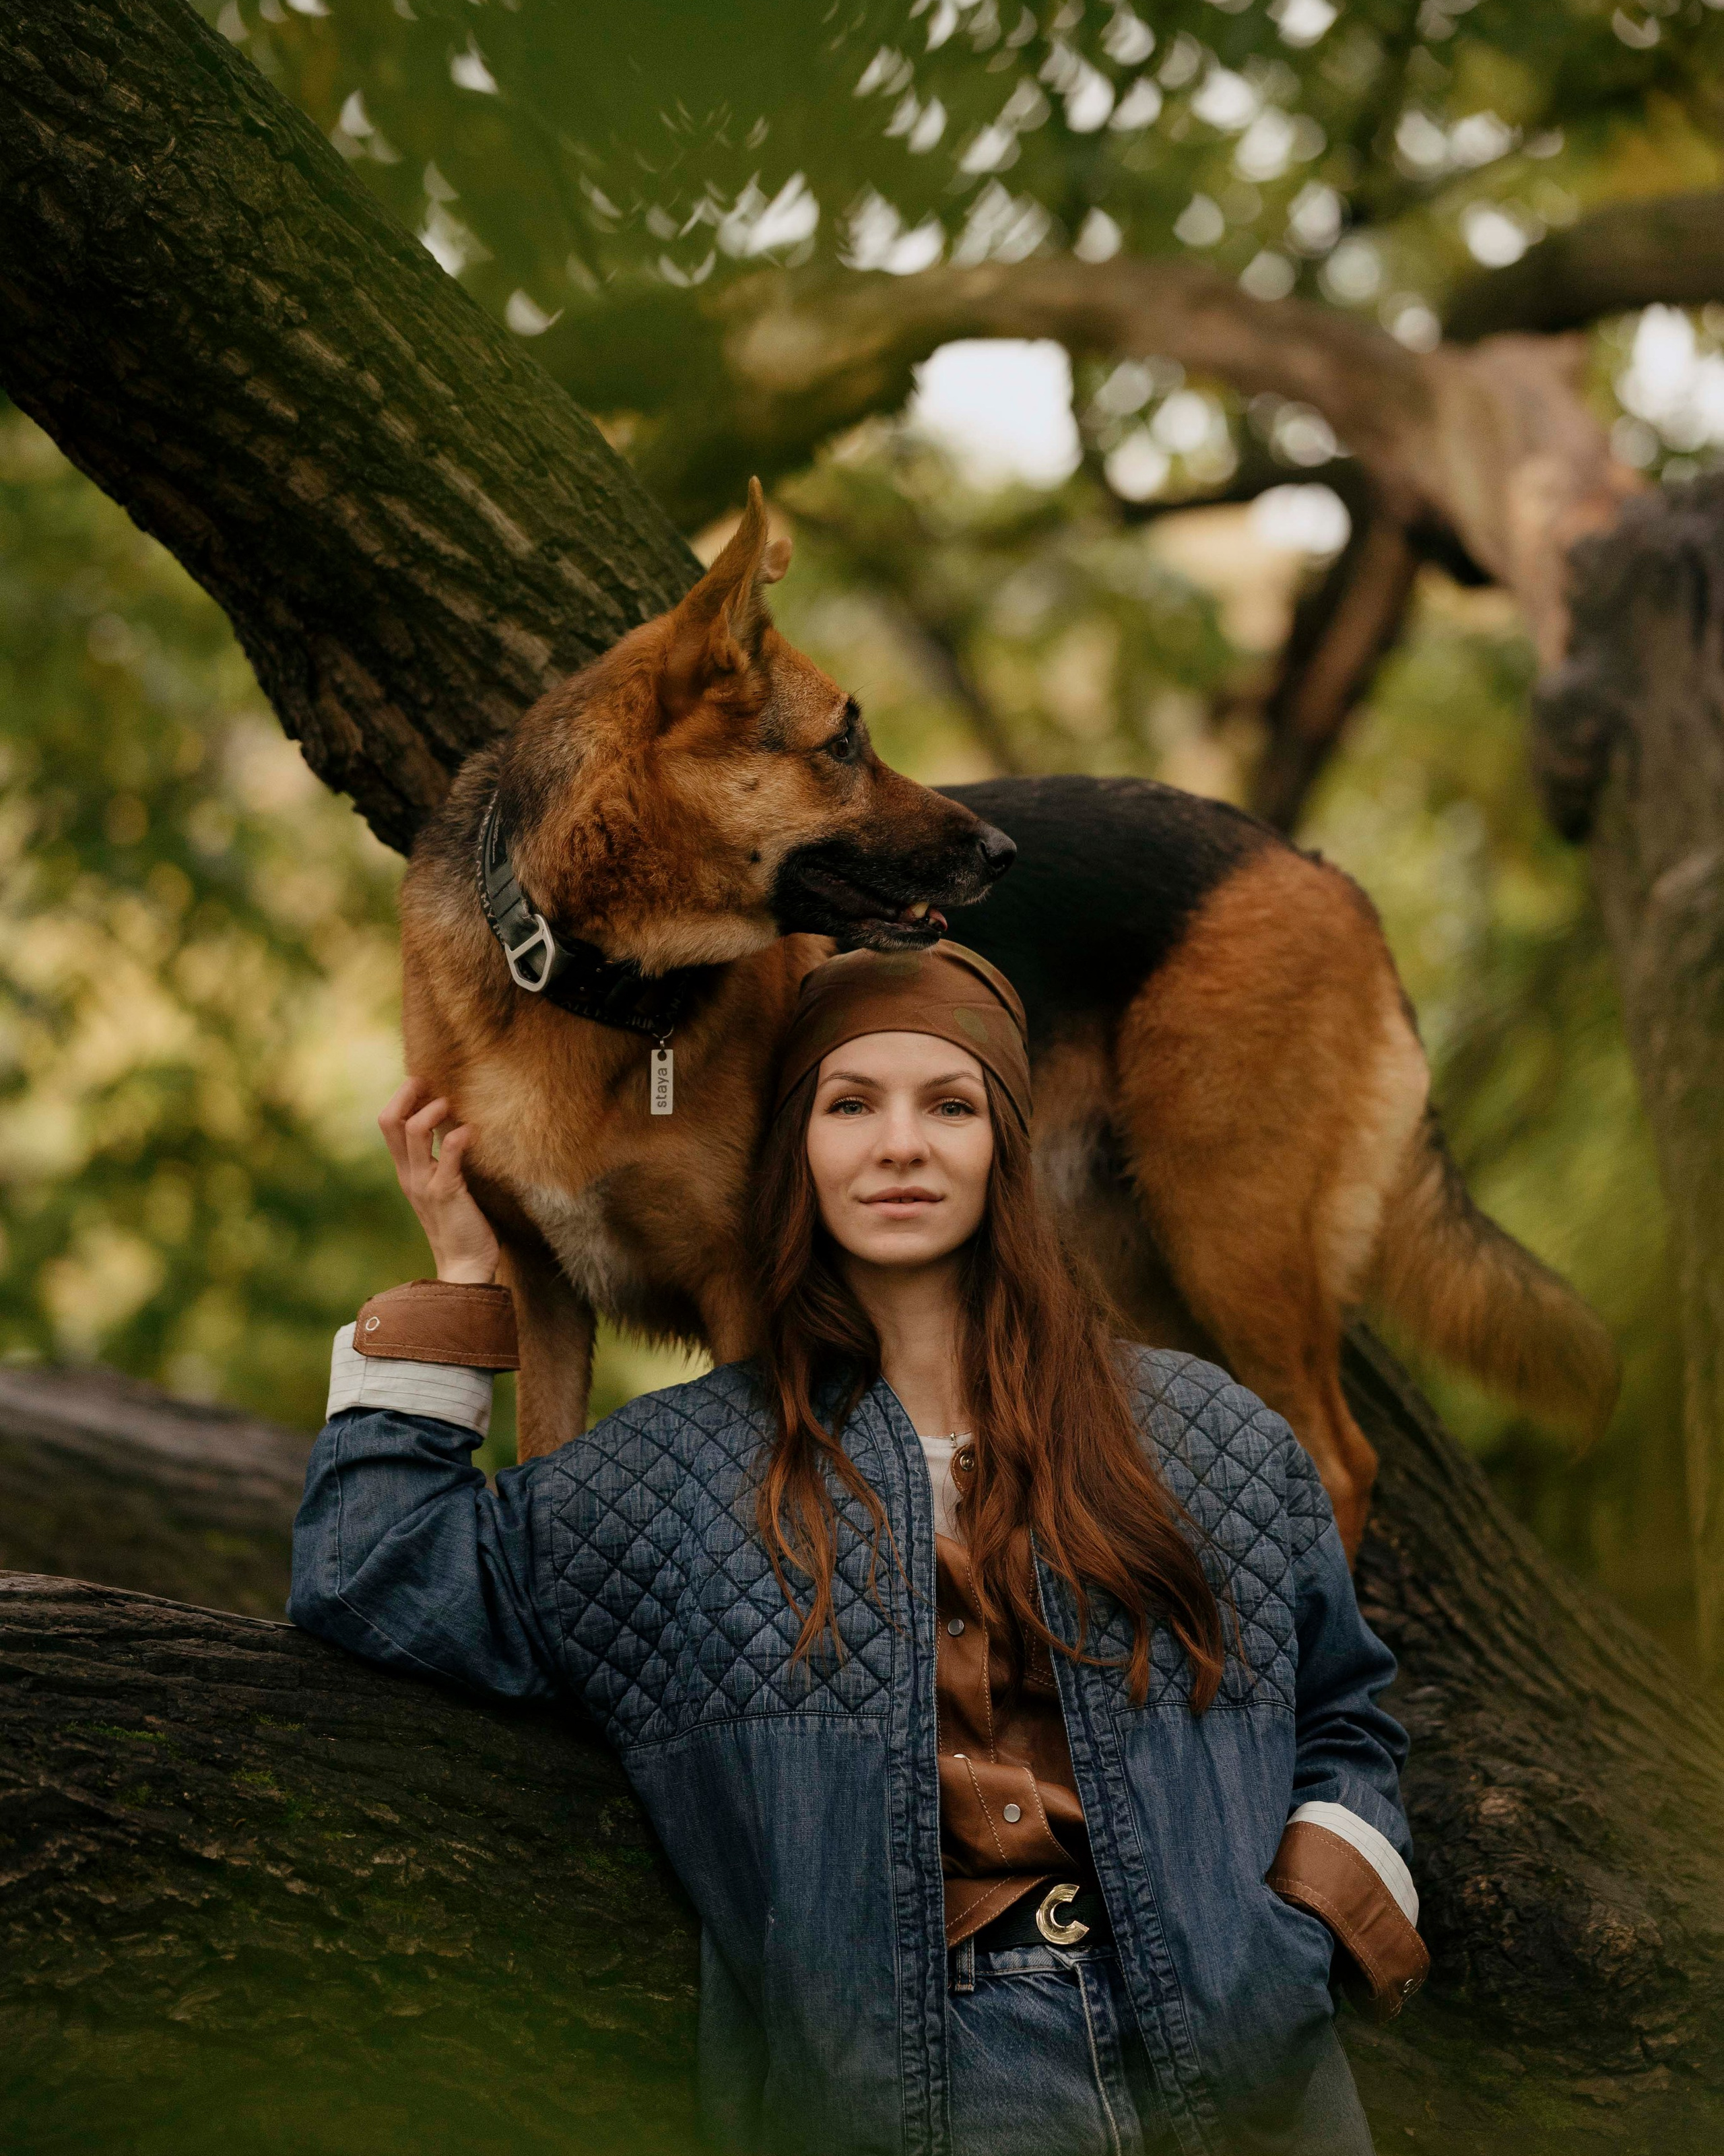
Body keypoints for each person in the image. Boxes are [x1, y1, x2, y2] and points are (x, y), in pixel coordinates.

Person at [290, 941, 1428, 2156]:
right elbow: (373, 1569)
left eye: (949, 1104)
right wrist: (469, 1273)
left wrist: (1305, 1935)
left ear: (1004, 1145)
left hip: (1253, 2082)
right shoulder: (682, 1474)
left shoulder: (1207, 1434)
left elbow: (1347, 1713)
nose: (900, 1145)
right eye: (850, 1105)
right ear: (796, 1150)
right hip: (915, 2093)